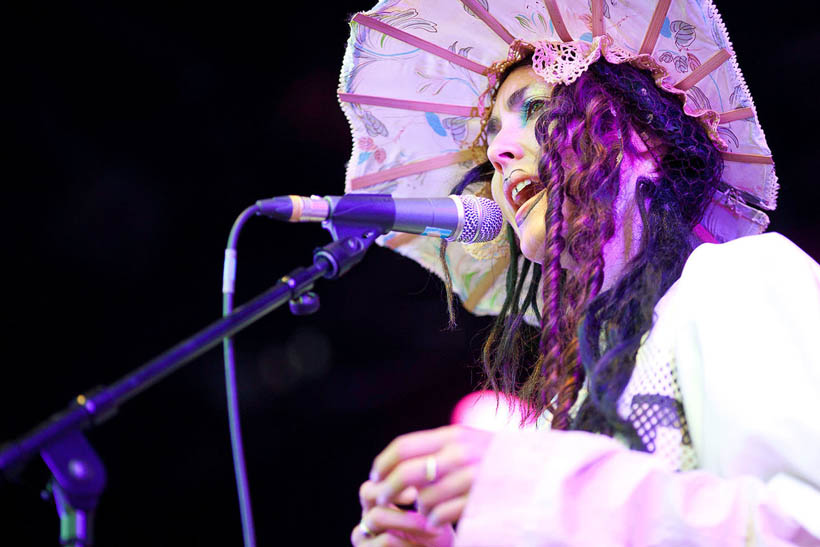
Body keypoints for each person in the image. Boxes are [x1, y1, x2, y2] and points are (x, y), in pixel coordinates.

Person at [349, 37, 820, 547]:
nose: (497, 152)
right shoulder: (565, 411)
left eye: (532, 110)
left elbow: (802, 524)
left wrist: (552, 491)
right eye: (490, 139)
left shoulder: (739, 281)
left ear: (642, 136)